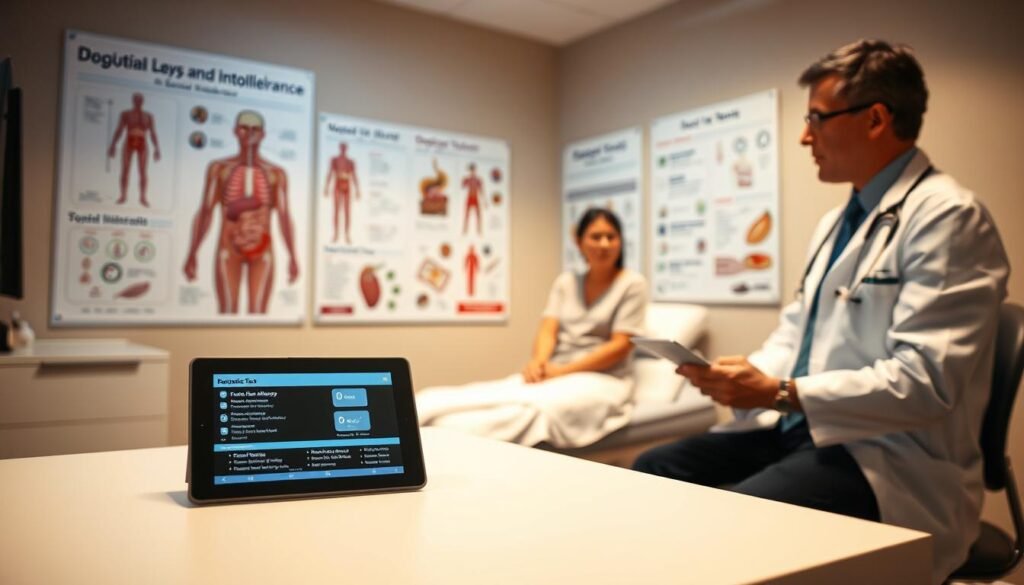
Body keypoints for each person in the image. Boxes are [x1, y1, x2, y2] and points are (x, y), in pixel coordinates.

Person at [632, 39, 1009, 584]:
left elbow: (927, 382)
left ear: (876, 119)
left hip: (888, 459)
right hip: (804, 429)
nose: (805, 136)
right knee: (653, 470)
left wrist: (783, 393)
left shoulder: (949, 218)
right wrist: (743, 377)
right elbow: (797, 333)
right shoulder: (837, 223)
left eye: (817, 118)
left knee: (729, 524)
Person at [417, 208, 648, 448]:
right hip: (555, 372)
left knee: (525, 410)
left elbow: (620, 345)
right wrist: (538, 362)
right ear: (579, 242)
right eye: (596, 236)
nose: (604, 244)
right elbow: (548, 328)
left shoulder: (633, 284)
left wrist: (564, 371)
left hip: (604, 379)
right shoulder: (567, 282)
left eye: (611, 237)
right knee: (449, 399)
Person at [182, 110, 300, 314]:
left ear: (263, 134)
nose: (250, 134)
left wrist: (293, 256)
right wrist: (192, 253)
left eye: (255, 129)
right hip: (229, 250)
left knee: (259, 314)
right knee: (227, 312)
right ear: (236, 131)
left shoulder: (276, 174)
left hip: (262, 252)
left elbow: (284, 217)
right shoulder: (219, 169)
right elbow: (205, 212)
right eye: (245, 128)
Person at [107, 92, 161, 207]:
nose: (138, 101)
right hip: (129, 141)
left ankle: (142, 197)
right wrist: (113, 145)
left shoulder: (149, 116)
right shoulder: (126, 114)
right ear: (133, 100)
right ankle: (123, 196)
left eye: (140, 99)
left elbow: (153, 133)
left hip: (142, 141)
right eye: (136, 99)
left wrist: (157, 148)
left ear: (142, 101)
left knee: (143, 171)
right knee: (125, 169)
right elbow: (120, 130)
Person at [323, 142, 361, 244]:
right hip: (337, 184)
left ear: (346, 149)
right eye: (342, 147)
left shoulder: (351, 162)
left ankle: (347, 234)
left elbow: (354, 176)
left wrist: (358, 190)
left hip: (347, 185)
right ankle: (336, 234)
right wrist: (326, 187)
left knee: (347, 211)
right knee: (336, 210)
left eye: (345, 148)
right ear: (340, 148)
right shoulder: (334, 160)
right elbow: (330, 173)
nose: (343, 149)